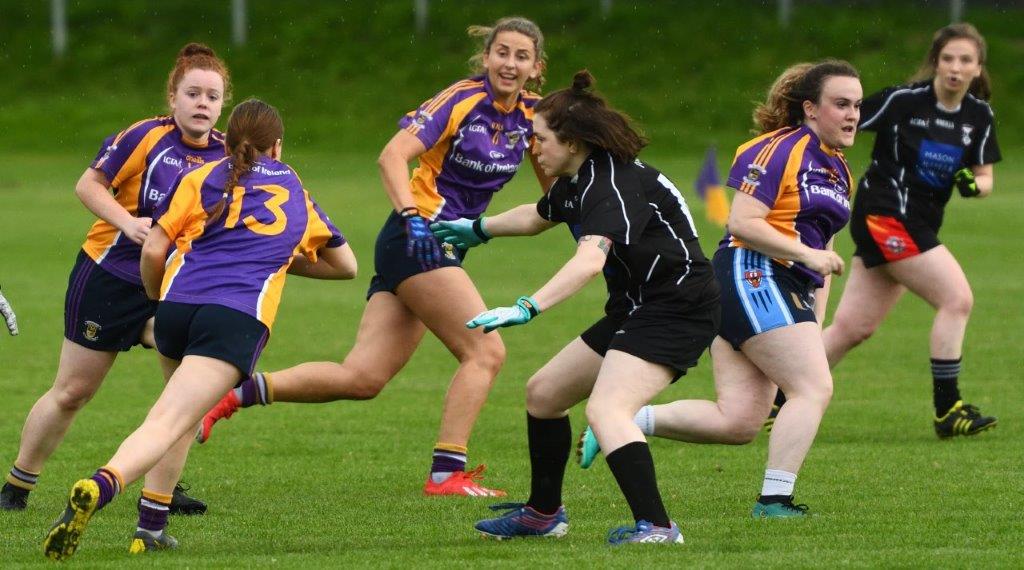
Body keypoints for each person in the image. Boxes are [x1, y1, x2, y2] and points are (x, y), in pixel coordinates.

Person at [198, 17, 552, 497]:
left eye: (521, 56)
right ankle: (447, 472)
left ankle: (235, 395)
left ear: (536, 67)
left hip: (439, 244)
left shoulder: (534, 117)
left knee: (362, 377)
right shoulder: (461, 99)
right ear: (486, 57)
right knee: (486, 351)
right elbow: (391, 156)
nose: (510, 63)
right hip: (417, 235)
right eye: (502, 52)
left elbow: (555, 190)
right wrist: (410, 214)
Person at [42, 98, 356, 560]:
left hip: (175, 309)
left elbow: (154, 250)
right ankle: (100, 485)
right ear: (278, 146)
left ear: (227, 141)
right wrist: (273, 260)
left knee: (177, 419)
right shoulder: (293, 187)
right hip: (233, 318)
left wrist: (155, 298)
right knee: (169, 422)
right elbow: (345, 265)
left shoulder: (200, 177)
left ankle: (151, 528)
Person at [436, 70, 719, 544]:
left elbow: (589, 260)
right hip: (638, 306)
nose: (533, 147)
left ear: (570, 141)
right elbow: (539, 214)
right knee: (544, 394)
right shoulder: (579, 177)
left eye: (540, 137)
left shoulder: (610, 184)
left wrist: (527, 306)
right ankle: (543, 515)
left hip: (678, 306)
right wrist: (478, 229)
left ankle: (659, 527)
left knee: (608, 410)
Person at [576, 60, 863, 518]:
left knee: (740, 421)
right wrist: (807, 256)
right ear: (810, 108)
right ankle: (774, 502)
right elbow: (742, 223)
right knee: (813, 387)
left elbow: (824, 248)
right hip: (751, 274)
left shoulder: (840, 171)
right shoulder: (776, 149)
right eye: (841, 104)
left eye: (857, 106)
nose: (852, 115)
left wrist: (815, 317)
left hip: (783, 286)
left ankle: (623, 420)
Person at [0, 43, 229, 515]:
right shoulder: (144, 137)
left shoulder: (228, 155)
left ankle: (163, 488)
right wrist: (128, 224)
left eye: (212, 95)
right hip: (110, 276)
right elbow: (88, 185)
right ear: (173, 98)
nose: (203, 103)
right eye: (193, 93)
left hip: (173, 286)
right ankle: (17, 487)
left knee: (183, 395)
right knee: (73, 391)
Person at [819, 23, 999, 438]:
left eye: (965, 60)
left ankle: (777, 396)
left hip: (918, 222)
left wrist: (975, 186)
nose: (955, 67)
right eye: (948, 58)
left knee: (852, 329)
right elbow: (843, 122)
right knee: (956, 299)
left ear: (977, 68)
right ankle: (948, 409)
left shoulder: (979, 116)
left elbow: (985, 177)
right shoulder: (904, 101)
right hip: (884, 214)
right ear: (936, 61)